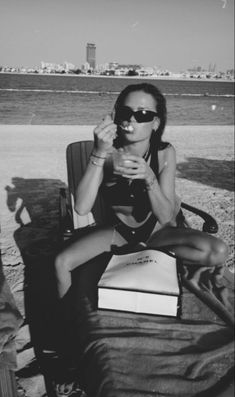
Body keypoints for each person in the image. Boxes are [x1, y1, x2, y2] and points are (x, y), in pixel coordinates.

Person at [55, 83, 228, 299]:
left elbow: (165, 216)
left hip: (158, 233)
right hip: (117, 232)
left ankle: (150, 254)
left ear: (155, 123)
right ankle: (69, 323)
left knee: (218, 251)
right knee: (62, 263)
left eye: (143, 114)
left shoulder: (164, 154)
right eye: (126, 112)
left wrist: (149, 178)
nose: (132, 120)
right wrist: (98, 152)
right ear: (117, 116)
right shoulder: (106, 154)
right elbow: (81, 208)